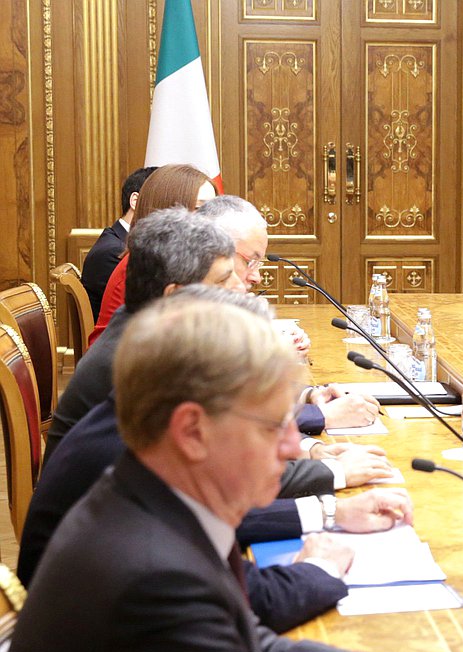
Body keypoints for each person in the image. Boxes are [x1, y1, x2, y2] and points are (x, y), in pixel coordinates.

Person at [0, 297, 463, 652]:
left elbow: (252, 649)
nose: (295, 446)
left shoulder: (161, 503)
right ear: (193, 431)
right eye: (274, 425)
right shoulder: (150, 572)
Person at [18, 286, 413, 633]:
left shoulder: (157, 464)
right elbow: (247, 611)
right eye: (228, 278)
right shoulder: (149, 553)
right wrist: (323, 555)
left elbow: (243, 624)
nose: (249, 283)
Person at [44, 207, 243, 462]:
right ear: (175, 295)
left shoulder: (148, 330)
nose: (239, 287)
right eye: (223, 280)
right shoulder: (142, 364)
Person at [199, 195, 382, 432]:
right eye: (250, 261)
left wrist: (307, 395)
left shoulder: (214, 310)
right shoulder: (181, 323)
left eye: (259, 264)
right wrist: (320, 416)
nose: (257, 277)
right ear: (214, 252)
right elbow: (225, 417)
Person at [88, 163, 218, 345]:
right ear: (167, 209)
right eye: (199, 209)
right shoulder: (143, 266)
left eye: (212, 210)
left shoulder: (178, 260)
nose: (211, 220)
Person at [80, 166, 156, 317]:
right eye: (161, 200)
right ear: (135, 201)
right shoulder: (113, 252)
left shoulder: (119, 241)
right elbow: (147, 310)